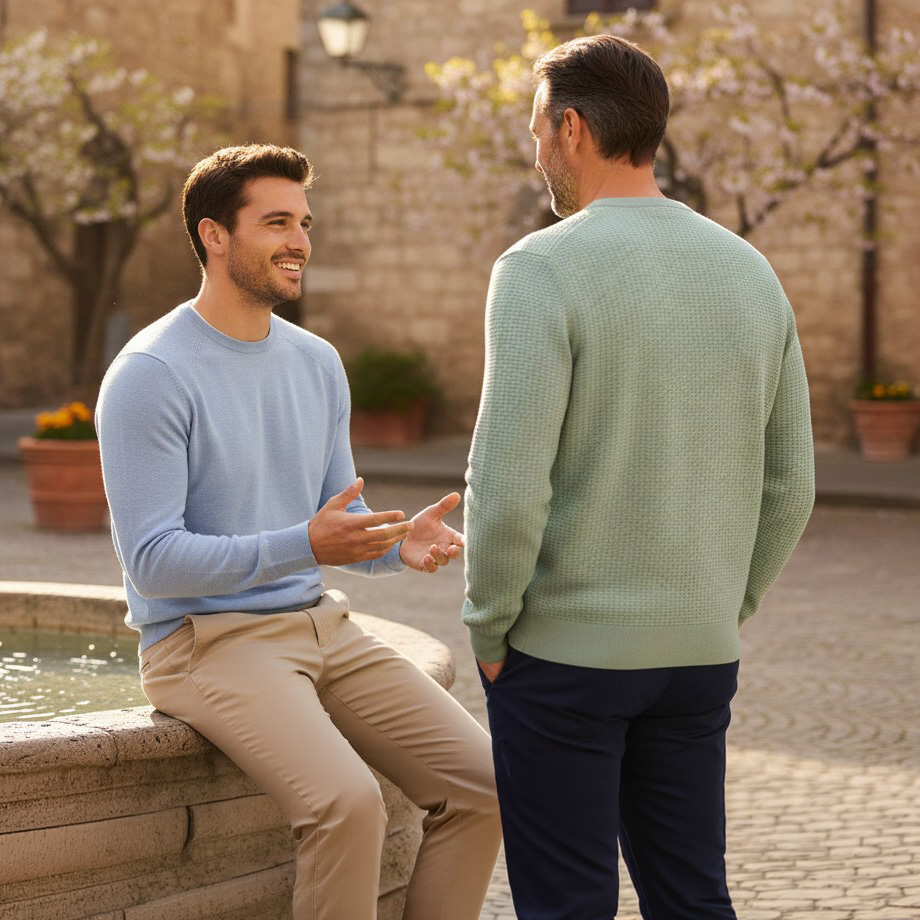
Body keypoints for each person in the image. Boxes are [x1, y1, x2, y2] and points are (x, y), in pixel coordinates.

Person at [96, 144, 501, 920]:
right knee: (347, 804)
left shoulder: (316, 362)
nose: (300, 242)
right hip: (201, 641)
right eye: (276, 222)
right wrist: (305, 546)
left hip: (321, 626)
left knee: (485, 785)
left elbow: (331, 517)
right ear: (214, 235)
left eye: (305, 223)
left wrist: (389, 539)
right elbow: (152, 562)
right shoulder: (151, 371)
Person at [462, 34, 815, 920]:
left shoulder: (539, 267)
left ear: (573, 129)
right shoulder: (751, 270)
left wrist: (489, 625)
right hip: (697, 653)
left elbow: (507, 486)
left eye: (538, 127)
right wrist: (722, 606)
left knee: (566, 905)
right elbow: (792, 486)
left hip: (565, 657)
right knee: (694, 898)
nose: (534, 148)